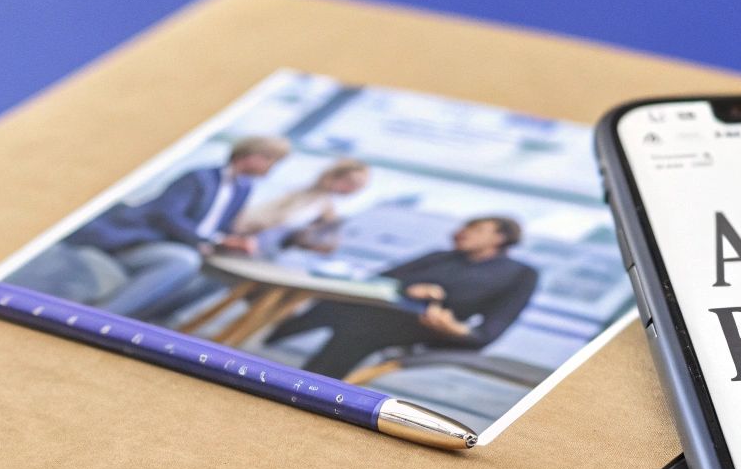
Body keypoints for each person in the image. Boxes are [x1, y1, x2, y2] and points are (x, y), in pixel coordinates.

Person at [265, 216, 539, 378]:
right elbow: (384, 277)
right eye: (466, 227)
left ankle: (285, 335)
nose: (464, 233)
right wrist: (413, 287)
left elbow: (493, 327)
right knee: (353, 315)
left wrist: (456, 328)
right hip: (386, 313)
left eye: (477, 229)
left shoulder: (520, 274)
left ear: (501, 239)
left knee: (357, 324)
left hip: (433, 328)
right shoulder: (441, 256)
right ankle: (311, 374)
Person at [56, 136, 289, 318]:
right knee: (185, 260)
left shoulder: (243, 188)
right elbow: (165, 215)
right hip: (145, 240)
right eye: (271, 160)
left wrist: (234, 240)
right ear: (252, 155)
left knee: (223, 276)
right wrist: (208, 242)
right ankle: (103, 315)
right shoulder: (199, 177)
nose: (272, 167)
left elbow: (221, 226)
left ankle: (151, 318)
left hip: (191, 245)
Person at [232, 158, 370, 252]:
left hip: (262, 248)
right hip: (244, 242)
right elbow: (271, 220)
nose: (353, 189)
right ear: (333, 176)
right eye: (351, 182)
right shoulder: (304, 196)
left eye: (359, 186)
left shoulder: (326, 206)